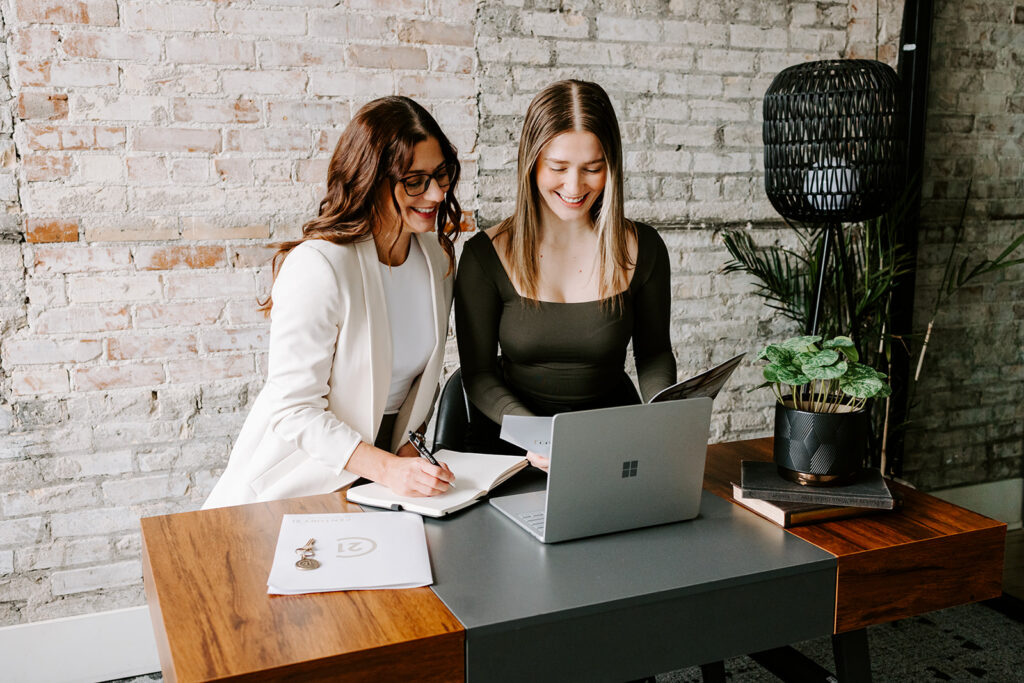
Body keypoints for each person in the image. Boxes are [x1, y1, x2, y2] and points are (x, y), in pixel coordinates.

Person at [204, 96, 461, 509]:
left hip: (374, 486)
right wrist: (389, 470)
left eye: (441, 175)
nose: (435, 193)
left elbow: (408, 392)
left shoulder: (436, 258)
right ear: (372, 178)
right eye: (415, 180)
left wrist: (411, 460)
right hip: (294, 486)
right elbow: (294, 410)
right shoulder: (319, 266)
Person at [454, 80, 676, 472]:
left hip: (609, 443)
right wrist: (539, 438)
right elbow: (479, 375)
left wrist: (668, 419)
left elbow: (654, 353)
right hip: (513, 449)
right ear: (531, 163)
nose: (575, 187)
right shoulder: (484, 255)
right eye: (557, 168)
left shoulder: (644, 247)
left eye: (593, 169)